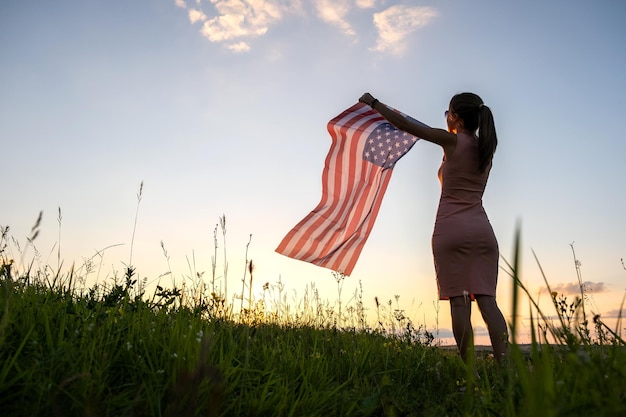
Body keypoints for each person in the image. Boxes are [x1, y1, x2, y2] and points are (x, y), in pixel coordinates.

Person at [359, 92, 508, 364]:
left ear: (456, 117)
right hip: (482, 232)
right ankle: (507, 371)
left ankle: (471, 374)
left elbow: (408, 126)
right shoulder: (486, 148)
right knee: (489, 303)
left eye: (448, 112)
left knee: (459, 303)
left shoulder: (451, 141)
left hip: (451, 230)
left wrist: (374, 103)